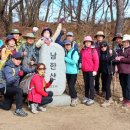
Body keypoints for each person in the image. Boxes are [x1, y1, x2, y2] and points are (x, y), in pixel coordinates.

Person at [0, 52, 29, 117]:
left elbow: (27, 70)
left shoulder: (19, 66)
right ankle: (18, 110)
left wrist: (36, 70)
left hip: (10, 88)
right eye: (17, 59)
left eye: (20, 59)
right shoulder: (8, 67)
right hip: (4, 87)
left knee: (6, 107)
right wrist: (18, 75)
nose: (18, 61)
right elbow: (9, 80)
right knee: (19, 90)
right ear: (12, 58)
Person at [81, 36, 99, 105]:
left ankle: (91, 98)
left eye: (89, 42)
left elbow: (96, 61)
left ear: (91, 43)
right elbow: (81, 59)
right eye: (86, 42)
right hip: (84, 70)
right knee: (86, 84)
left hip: (91, 71)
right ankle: (86, 96)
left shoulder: (93, 50)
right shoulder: (83, 50)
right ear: (84, 43)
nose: (87, 43)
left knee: (91, 85)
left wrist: (95, 70)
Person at [99, 41, 116, 107]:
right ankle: (110, 97)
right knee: (104, 85)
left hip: (109, 72)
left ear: (107, 46)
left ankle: (107, 100)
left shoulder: (110, 52)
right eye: (102, 47)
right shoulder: (101, 53)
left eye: (104, 46)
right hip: (103, 72)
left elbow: (115, 59)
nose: (103, 48)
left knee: (107, 86)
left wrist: (112, 56)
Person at [115, 34, 130, 107]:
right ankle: (125, 98)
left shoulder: (129, 49)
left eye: (127, 42)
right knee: (123, 85)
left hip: (128, 71)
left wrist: (121, 58)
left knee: (128, 86)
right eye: (124, 42)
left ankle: (128, 100)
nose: (125, 43)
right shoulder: (121, 50)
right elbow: (117, 58)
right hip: (121, 71)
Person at [64, 40, 79, 107]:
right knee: (70, 85)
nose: (67, 46)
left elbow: (74, 61)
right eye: (66, 45)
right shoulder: (65, 52)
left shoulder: (74, 52)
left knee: (71, 85)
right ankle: (73, 95)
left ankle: (74, 98)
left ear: (71, 45)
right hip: (67, 72)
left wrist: (65, 58)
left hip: (73, 72)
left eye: (68, 45)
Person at [94, 31, 105, 95]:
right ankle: (96, 89)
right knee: (96, 77)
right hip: (96, 63)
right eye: (98, 36)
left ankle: (104, 90)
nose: (99, 37)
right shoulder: (94, 44)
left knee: (103, 77)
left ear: (103, 37)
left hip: (103, 63)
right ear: (96, 37)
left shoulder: (105, 44)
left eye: (101, 36)